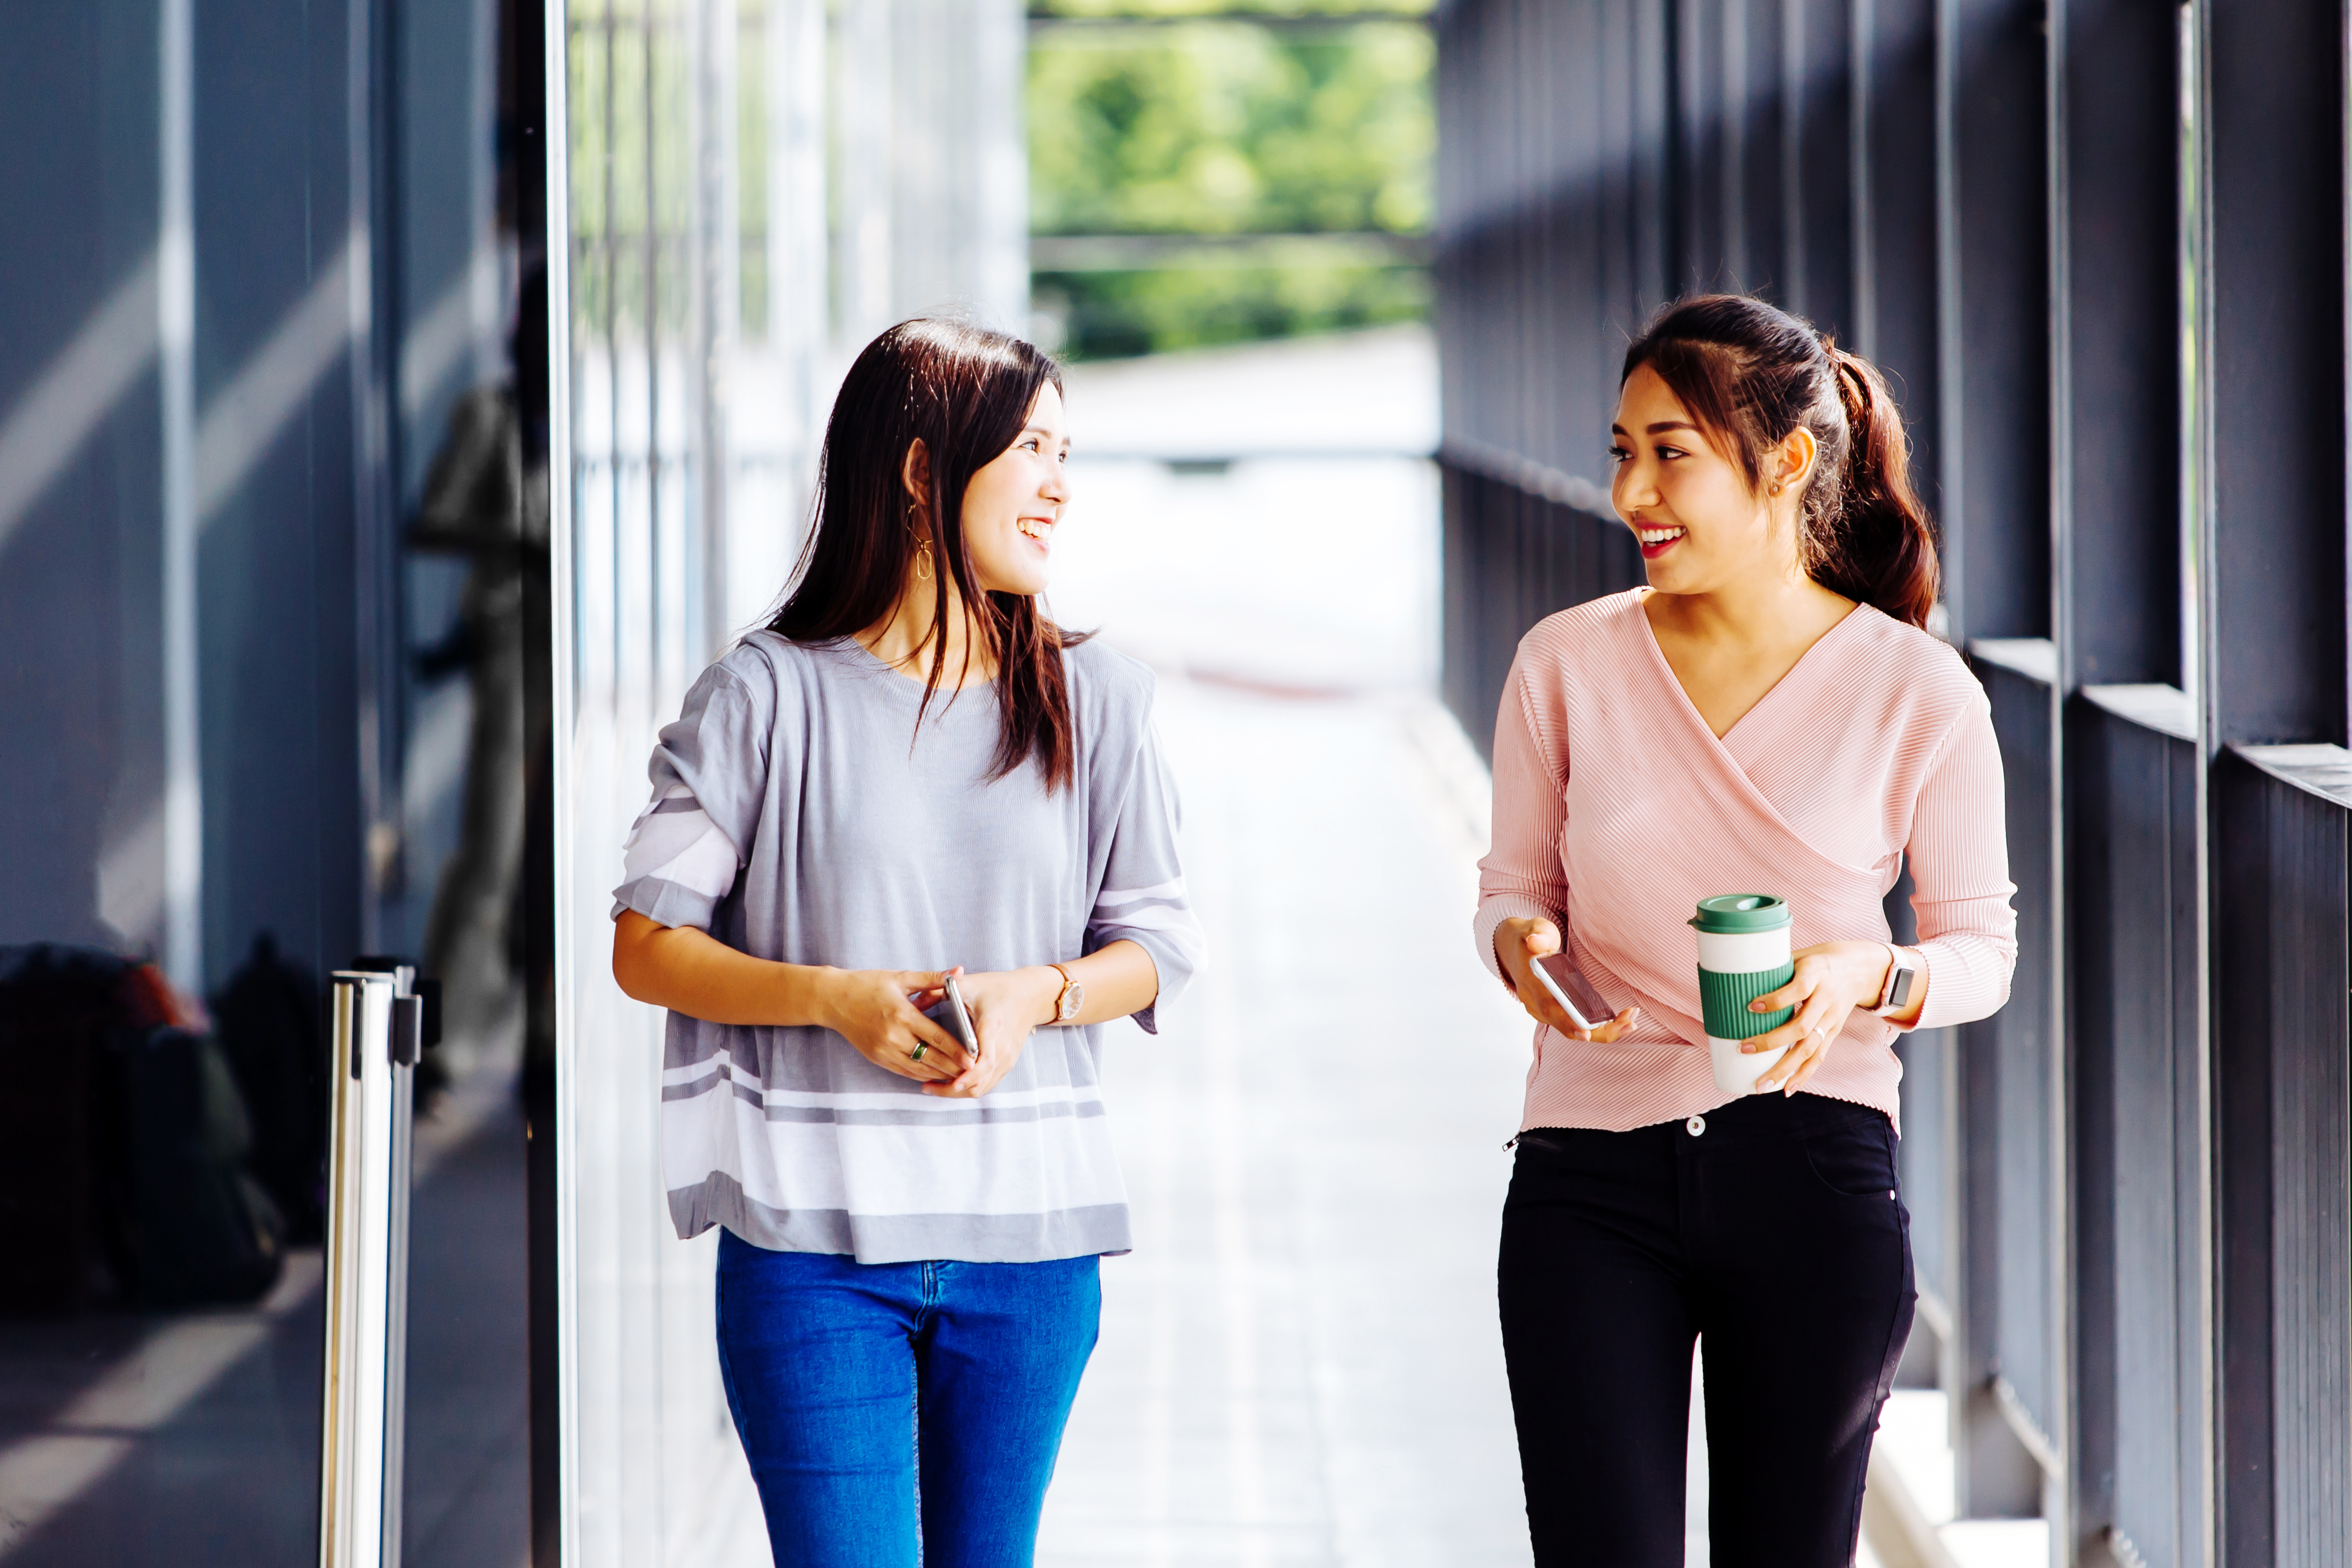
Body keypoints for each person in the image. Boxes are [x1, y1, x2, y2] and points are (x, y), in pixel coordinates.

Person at [608, 318, 1201, 1568]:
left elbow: (1153, 946)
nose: (1058, 484)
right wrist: (836, 1000)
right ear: (925, 470)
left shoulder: (1099, 698)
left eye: (1065, 451)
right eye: (1031, 448)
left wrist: (1036, 997)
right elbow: (648, 944)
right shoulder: (764, 695)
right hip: (814, 1255)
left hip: (1031, 1256)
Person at [1475, 294, 2017, 1562]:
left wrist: (1870, 974)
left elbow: (1980, 954)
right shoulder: (1565, 664)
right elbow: (1511, 887)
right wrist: (1517, 945)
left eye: (1674, 453)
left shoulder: (1916, 690)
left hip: (1816, 1178)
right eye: (1622, 450)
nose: (1633, 493)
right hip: (1587, 1177)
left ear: (1787, 461)